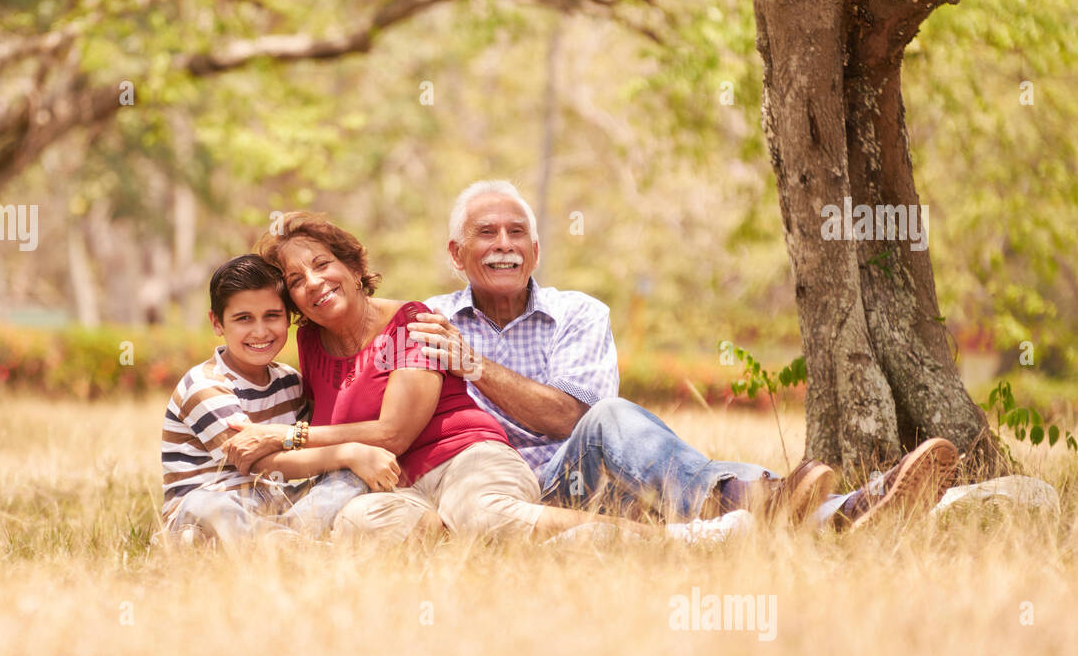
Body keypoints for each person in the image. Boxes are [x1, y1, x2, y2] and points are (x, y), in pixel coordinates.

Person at [408, 180, 958, 528]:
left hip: (592, 481)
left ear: (535, 249)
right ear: (457, 254)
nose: (504, 243)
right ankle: (821, 506)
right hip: (504, 494)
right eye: (486, 233)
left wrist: (474, 365)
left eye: (517, 232)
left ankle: (847, 509)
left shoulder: (579, 313)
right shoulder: (427, 322)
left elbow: (572, 418)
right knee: (694, 488)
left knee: (621, 429)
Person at [225, 212, 749, 543]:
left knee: (484, 513)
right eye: (296, 280)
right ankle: (547, 543)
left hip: (465, 460)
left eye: (322, 264)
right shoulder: (312, 344)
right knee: (357, 526)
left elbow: (392, 434)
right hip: (402, 485)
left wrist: (284, 435)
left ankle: (681, 540)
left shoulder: (412, 323)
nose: (314, 283)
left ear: (355, 266)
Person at [160, 255, 399, 545]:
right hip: (213, 509)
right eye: (243, 318)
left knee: (352, 477)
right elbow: (259, 461)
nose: (260, 331)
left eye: (272, 316)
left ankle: (283, 540)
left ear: (288, 317)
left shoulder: (289, 381)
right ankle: (295, 545)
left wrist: (353, 458)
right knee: (206, 506)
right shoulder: (204, 385)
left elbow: (307, 444)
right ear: (217, 323)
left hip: (276, 508)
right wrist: (348, 452)